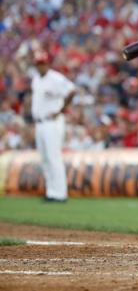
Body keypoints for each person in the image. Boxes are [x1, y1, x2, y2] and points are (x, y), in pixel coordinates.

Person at [30, 50, 76, 202]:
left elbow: (72, 90)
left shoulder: (55, 78)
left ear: (48, 63)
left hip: (52, 123)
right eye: (38, 64)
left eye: (42, 63)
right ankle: (51, 191)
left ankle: (60, 193)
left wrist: (62, 110)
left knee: (53, 157)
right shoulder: (36, 79)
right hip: (39, 123)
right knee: (44, 158)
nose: (40, 66)